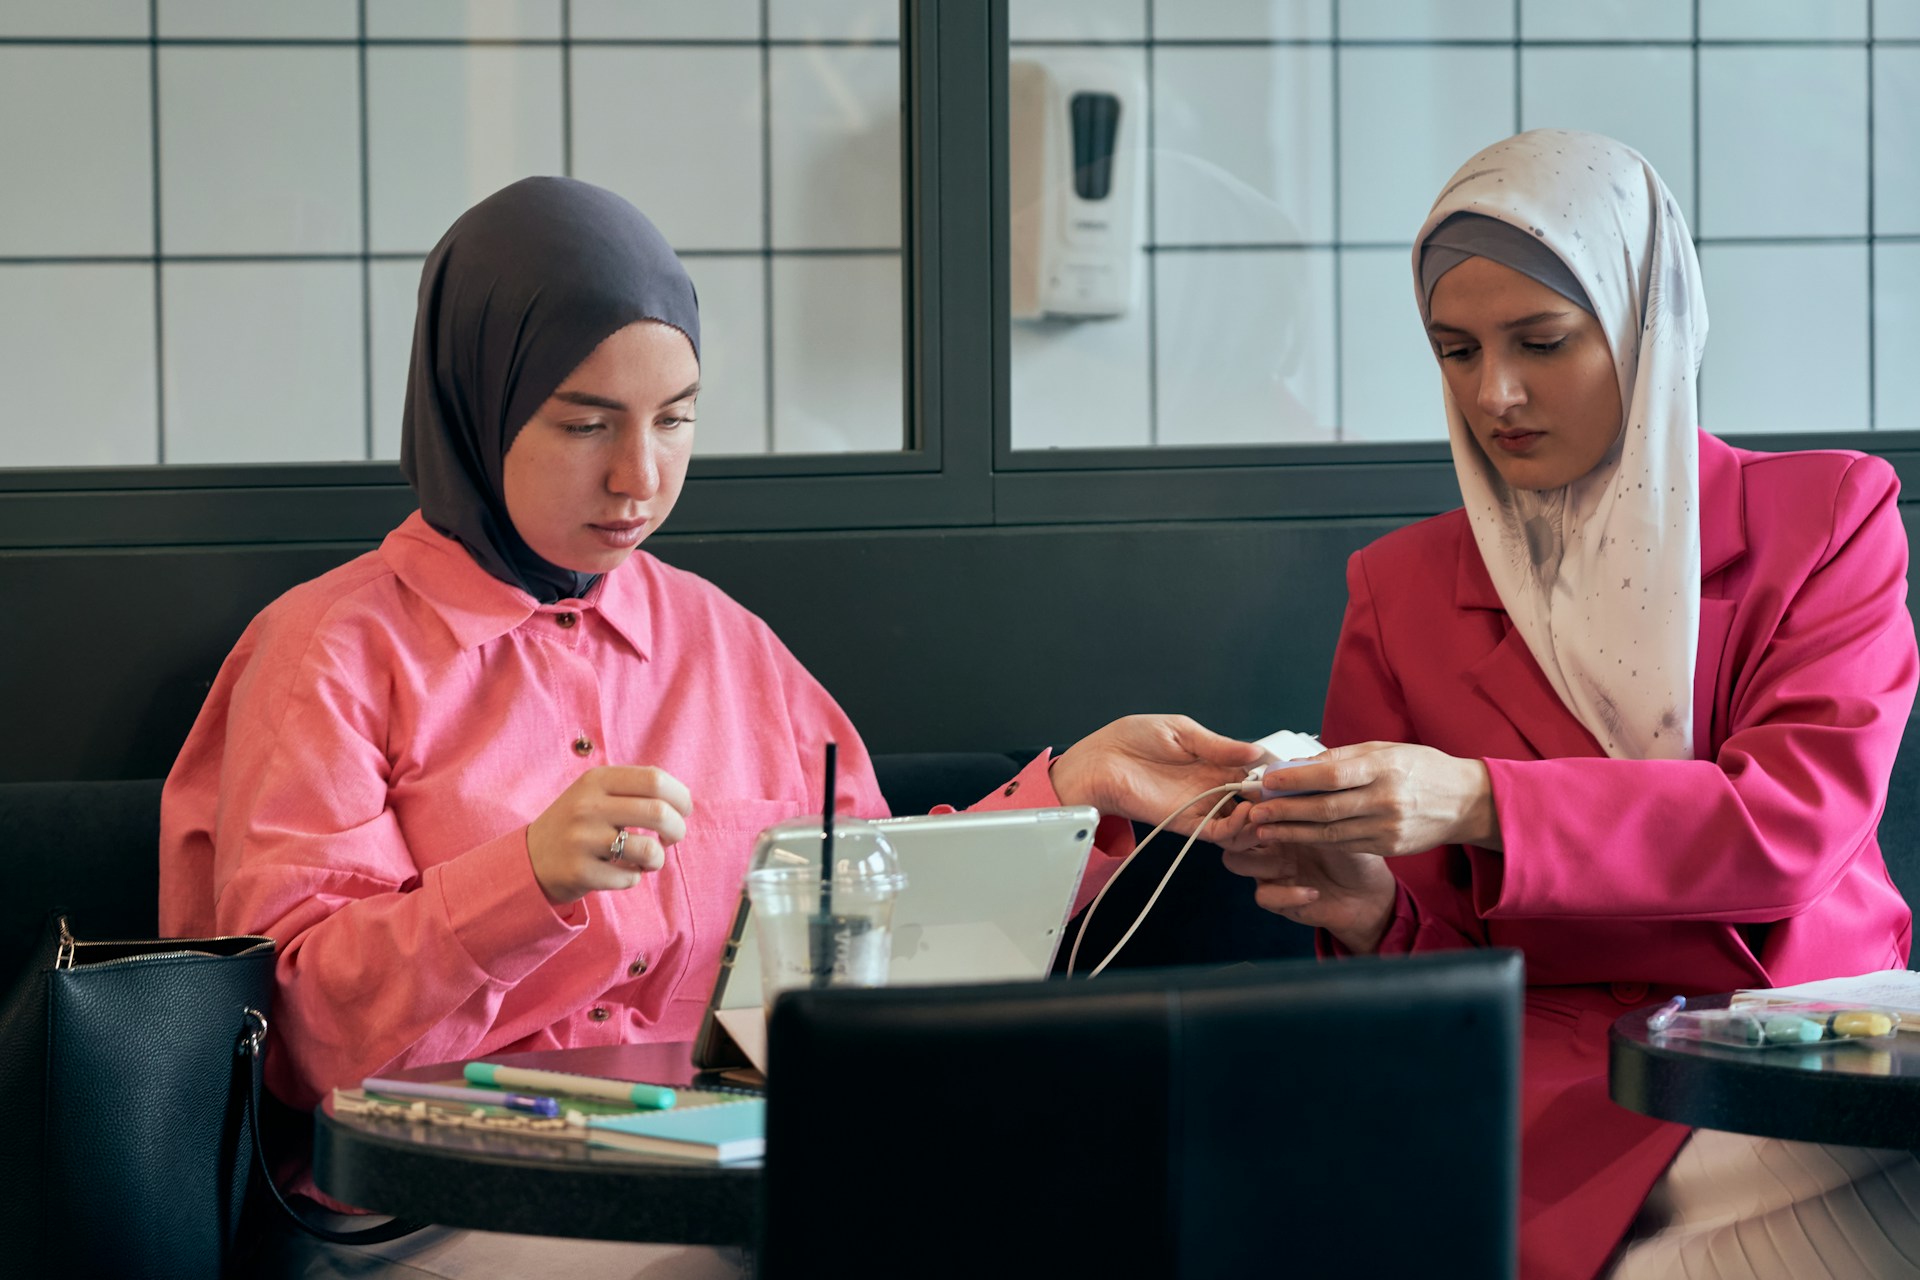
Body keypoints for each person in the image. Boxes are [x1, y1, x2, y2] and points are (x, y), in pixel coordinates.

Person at [158, 176, 1260, 1278]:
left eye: (675, 419)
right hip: (429, 1205)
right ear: (476, 402)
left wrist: (1075, 788)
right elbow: (300, 1039)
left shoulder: (726, 641)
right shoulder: (328, 655)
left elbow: (868, 916)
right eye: (586, 423)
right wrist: (524, 876)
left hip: (732, 1176)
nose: (639, 477)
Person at [1209, 130, 1920, 1279]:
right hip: (1560, 1082)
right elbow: (1422, 951)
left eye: (1542, 341)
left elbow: (1790, 825)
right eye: (1455, 350)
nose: (1496, 392)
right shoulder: (1398, 591)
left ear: (1646, 325)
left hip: (1804, 1040)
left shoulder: (1828, 519)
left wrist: (1478, 797)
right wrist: (1359, 901)